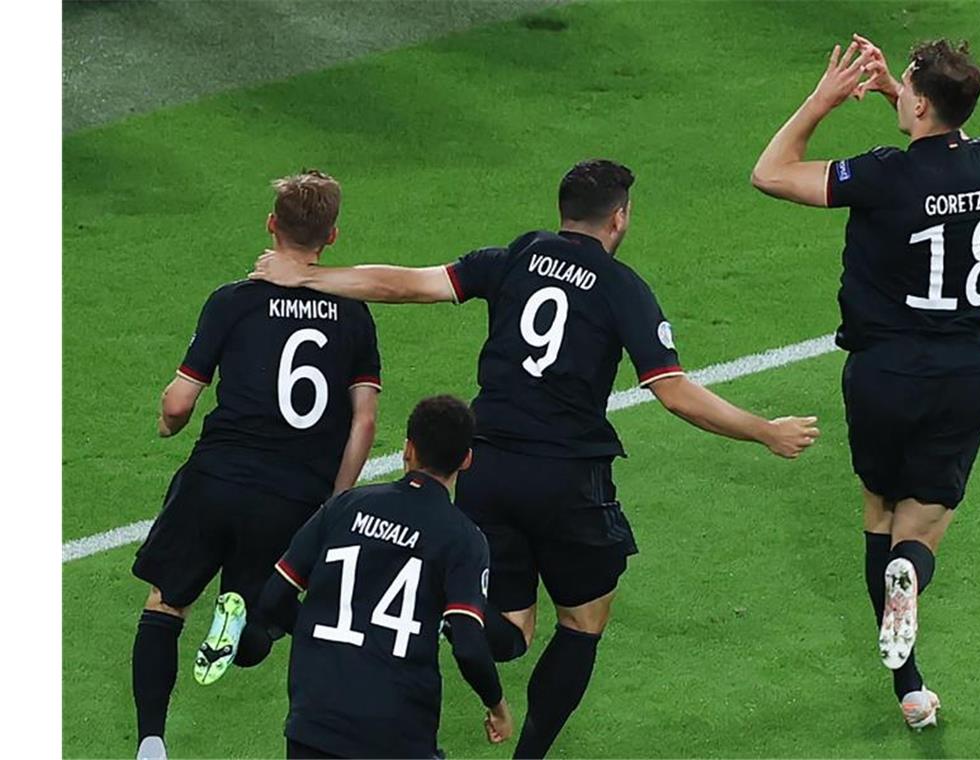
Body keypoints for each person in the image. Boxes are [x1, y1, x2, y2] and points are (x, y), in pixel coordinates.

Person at [250, 158, 820, 757]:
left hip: (485, 467)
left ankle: (455, 619)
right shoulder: (622, 287)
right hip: (567, 479)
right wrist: (765, 431)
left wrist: (307, 277)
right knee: (583, 621)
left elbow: (410, 283)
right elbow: (674, 392)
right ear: (619, 218)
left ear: (563, 210)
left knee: (515, 630)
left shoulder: (516, 256)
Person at [749, 36, 980, 729]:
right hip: (964, 373)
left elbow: (771, 172)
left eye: (906, 87)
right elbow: (946, 143)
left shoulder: (882, 175)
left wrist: (824, 99)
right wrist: (911, 94)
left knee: (879, 516)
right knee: (919, 533)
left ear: (920, 103)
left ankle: (910, 683)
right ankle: (911, 645)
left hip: (885, 373)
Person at [130, 170, 382, 760]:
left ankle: (150, 742)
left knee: (166, 602)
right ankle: (250, 624)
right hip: (293, 495)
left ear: (271, 225)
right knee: (268, 612)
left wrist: (168, 424)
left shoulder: (233, 301)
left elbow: (178, 403)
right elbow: (364, 421)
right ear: (333, 236)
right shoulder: (354, 314)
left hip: (216, 478)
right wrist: (335, 502)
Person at [260, 395, 513, 759]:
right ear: (467, 459)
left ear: (408, 450)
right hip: (396, 733)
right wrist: (498, 706)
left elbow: (273, 600)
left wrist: (318, 634)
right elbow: (470, 645)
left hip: (315, 724)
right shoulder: (464, 539)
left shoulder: (345, 507)